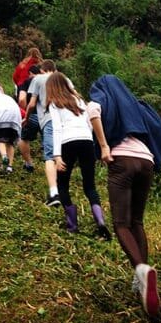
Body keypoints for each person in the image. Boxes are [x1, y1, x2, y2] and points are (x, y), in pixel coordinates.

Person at [87, 75, 161, 318]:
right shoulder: (136, 104)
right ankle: (141, 278)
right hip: (147, 161)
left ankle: (141, 270)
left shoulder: (104, 96)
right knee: (137, 222)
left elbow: (92, 111)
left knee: (121, 223)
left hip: (122, 160)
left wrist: (103, 146)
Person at [46, 72, 111, 240]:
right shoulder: (80, 101)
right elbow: (90, 124)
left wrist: (57, 156)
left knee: (62, 184)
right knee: (90, 185)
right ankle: (101, 223)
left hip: (67, 142)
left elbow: (57, 128)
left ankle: (72, 225)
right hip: (86, 141)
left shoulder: (55, 103)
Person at [24, 59, 62, 206]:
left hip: (49, 120)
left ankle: (54, 193)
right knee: (62, 155)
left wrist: (26, 119)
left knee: (50, 156)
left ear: (41, 70)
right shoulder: (63, 79)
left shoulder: (38, 79)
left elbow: (32, 104)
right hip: (68, 121)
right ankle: (63, 190)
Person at [17, 64, 41, 172]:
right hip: (48, 116)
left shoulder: (26, 83)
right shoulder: (48, 81)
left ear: (30, 73)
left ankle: (29, 163)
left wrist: (25, 112)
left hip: (31, 115)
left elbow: (22, 99)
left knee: (24, 138)